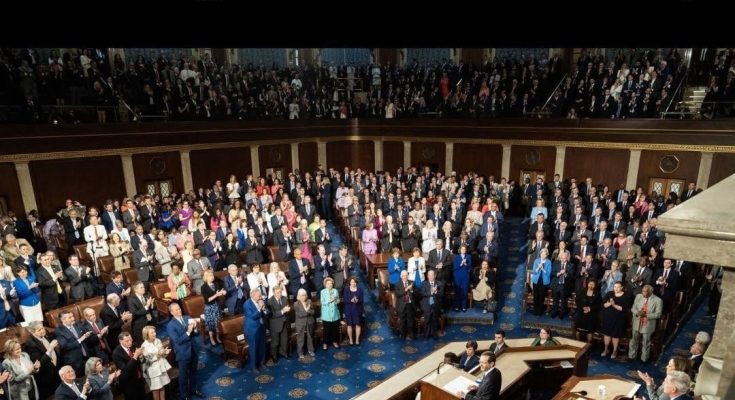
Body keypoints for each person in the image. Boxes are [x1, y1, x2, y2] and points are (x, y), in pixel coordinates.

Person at [166, 303, 204, 399]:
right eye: (176, 310)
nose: (179, 311)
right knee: (183, 376)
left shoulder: (187, 318)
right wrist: (188, 332)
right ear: (171, 312)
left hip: (193, 349)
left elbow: (196, 334)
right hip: (183, 354)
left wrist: (195, 329)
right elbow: (178, 341)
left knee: (193, 372)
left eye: (179, 309)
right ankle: (184, 396)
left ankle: (194, 389)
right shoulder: (170, 325)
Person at [23, 321, 60, 399]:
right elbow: (39, 363)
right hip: (46, 377)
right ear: (32, 332)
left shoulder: (44, 335)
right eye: (39, 330)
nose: (42, 331)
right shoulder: (30, 344)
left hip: (55, 370)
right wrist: (50, 349)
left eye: (42, 328)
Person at [629, 284, 663, 363]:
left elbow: (658, 314)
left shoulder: (658, 300)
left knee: (645, 342)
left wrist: (646, 315)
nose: (643, 293)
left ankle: (644, 359)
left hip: (647, 324)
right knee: (633, 340)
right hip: (637, 322)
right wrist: (637, 312)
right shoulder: (638, 296)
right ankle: (631, 356)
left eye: (645, 292)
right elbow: (633, 308)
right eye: (643, 291)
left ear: (651, 292)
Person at [600, 281, 632, 359]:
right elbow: (603, 305)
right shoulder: (609, 294)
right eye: (614, 287)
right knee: (607, 334)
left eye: (618, 287)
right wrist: (610, 304)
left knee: (615, 335)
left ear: (622, 288)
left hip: (618, 319)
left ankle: (614, 351)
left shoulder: (625, 296)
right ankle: (606, 349)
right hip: (608, 318)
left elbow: (623, 309)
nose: (616, 288)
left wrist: (614, 305)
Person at [112, 332, 146, 400]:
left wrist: (141, 357)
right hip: (129, 383)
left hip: (139, 379)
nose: (130, 342)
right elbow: (125, 369)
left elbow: (141, 361)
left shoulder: (134, 345)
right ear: (120, 341)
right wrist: (135, 356)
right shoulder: (116, 353)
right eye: (127, 341)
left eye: (131, 340)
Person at [141, 325, 172, 400]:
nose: (155, 334)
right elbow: (149, 359)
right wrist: (159, 354)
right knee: (156, 390)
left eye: (154, 332)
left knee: (162, 387)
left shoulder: (158, 340)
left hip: (161, 368)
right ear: (146, 335)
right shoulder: (144, 346)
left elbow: (162, 353)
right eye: (152, 333)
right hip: (153, 371)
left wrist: (165, 352)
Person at [244, 288, 269, 372]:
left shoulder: (261, 301)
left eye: (260, 295)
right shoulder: (247, 304)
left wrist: (264, 308)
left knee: (262, 346)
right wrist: (260, 308)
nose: (261, 297)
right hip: (252, 330)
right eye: (259, 296)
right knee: (253, 348)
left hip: (261, 327)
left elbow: (267, 312)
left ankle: (262, 363)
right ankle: (254, 367)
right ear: (253, 296)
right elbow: (253, 316)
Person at [200, 270, 226, 346]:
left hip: (217, 306)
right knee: (210, 324)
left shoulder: (216, 284)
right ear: (206, 277)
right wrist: (217, 295)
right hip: (209, 307)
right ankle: (211, 338)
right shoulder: (203, 287)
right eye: (210, 276)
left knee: (218, 323)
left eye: (212, 276)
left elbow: (221, 291)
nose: (212, 277)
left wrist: (223, 293)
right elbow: (208, 300)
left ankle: (217, 337)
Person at [267, 285, 291, 364]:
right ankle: (274, 356)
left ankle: (283, 353)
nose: (280, 294)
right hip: (275, 325)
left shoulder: (284, 298)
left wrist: (288, 310)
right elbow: (272, 314)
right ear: (273, 293)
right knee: (275, 342)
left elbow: (287, 308)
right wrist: (283, 311)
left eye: (280, 292)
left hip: (284, 322)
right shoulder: (270, 301)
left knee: (284, 340)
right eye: (277, 293)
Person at [128, 281, 155, 345]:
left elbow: (152, 308)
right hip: (140, 324)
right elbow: (135, 313)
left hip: (150, 320)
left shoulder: (147, 294)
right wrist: (147, 306)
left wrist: (151, 305)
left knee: (153, 340)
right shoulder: (131, 299)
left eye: (143, 287)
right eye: (141, 287)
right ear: (135, 289)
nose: (144, 288)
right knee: (143, 343)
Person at [575, 279, 601, 343]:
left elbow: (599, 305)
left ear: (595, 285)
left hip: (591, 315)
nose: (591, 286)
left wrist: (590, 309)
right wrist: (582, 307)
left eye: (593, 284)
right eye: (590, 284)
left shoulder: (598, 294)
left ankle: (588, 345)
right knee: (578, 330)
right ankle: (577, 343)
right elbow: (577, 301)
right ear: (587, 284)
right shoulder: (582, 291)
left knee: (589, 332)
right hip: (581, 314)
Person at [294, 288, 316, 359]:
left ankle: (311, 350)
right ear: (299, 296)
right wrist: (306, 311)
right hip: (300, 323)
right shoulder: (296, 304)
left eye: (305, 295)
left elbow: (313, 312)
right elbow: (299, 315)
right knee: (300, 338)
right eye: (302, 295)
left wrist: (309, 311)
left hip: (309, 322)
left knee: (310, 336)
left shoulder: (309, 301)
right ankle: (300, 352)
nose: (304, 297)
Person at [320, 277, 342, 350]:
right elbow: (322, 302)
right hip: (326, 314)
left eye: (331, 283)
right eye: (328, 283)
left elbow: (338, 301)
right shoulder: (322, 292)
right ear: (325, 284)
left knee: (335, 329)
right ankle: (325, 343)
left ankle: (335, 342)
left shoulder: (335, 291)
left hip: (335, 314)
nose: (330, 284)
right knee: (326, 330)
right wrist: (330, 300)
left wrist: (335, 300)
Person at [530, 248, 552, 316]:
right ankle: (535, 310)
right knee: (535, 296)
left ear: (546, 255)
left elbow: (548, 274)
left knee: (541, 296)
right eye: (542, 254)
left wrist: (542, 269)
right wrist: (538, 268)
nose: (543, 255)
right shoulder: (536, 260)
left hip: (544, 281)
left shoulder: (548, 262)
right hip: (536, 281)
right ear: (540, 254)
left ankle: (540, 311)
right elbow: (534, 272)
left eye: (544, 254)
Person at [395, 270, 416, 340]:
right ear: (401, 276)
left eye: (406, 275)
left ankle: (411, 334)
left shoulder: (412, 283)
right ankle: (403, 335)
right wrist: (406, 289)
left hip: (410, 304)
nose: (405, 277)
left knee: (411, 320)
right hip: (402, 305)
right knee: (402, 321)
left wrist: (412, 290)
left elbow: (417, 294)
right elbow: (398, 294)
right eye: (404, 276)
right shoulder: (397, 284)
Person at [344, 277, 365, 345]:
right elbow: (345, 300)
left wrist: (357, 300)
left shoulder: (360, 290)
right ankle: (350, 340)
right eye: (352, 282)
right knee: (349, 325)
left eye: (355, 282)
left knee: (358, 324)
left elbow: (362, 300)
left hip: (357, 309)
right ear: (350, 282)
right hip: (349, 310)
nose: (353, 283)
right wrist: (351, 300)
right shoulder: (346, 290)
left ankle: (357, 340)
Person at [453, 245, 472, 312]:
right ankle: (457, 306)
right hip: (457, 275)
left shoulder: (468, 256)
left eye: (464, 249)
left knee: (465, 290)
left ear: (466, 250)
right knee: (457, 291)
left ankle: (464, 306)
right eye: (462, 249)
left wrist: (465, 264)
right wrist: (461, 264)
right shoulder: (456, 257)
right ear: (460, 250)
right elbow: (454, 267)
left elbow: (470, 267)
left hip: (465, 276)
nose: (463, 250)